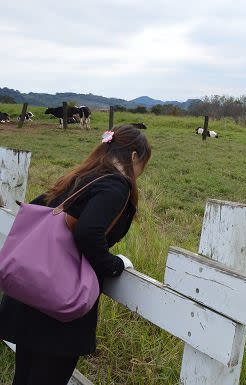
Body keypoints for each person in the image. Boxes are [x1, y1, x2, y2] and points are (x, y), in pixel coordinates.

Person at [0, 124, 151, 385]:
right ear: (135, 156)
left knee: (24, 378)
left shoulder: (82, 175)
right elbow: (88, 232)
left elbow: (36, 206)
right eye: (143, 164)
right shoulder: (116, 185)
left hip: (29, 294)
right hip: (57, 305)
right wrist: (113, 265)